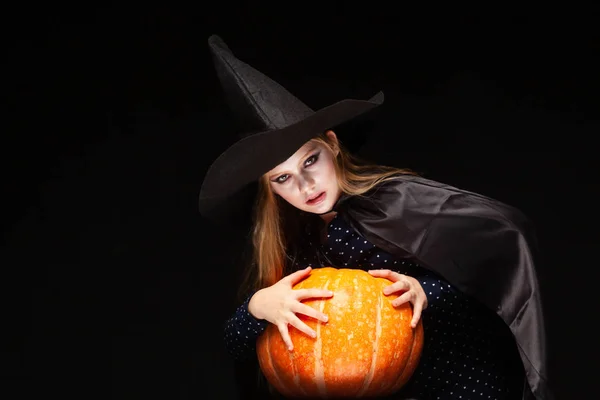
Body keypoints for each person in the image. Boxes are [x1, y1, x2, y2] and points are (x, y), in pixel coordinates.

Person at [199, 35, 553, 400]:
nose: (305, 186)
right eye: (283, 178)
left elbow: (489, 268)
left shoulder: (397, 199)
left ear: (333, 145)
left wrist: (425, 291)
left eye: (310, 160)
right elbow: (239, 348)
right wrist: (258, 307)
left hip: (467, 384)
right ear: (269, 188)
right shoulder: (295, 242)